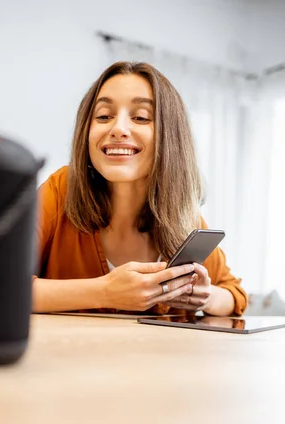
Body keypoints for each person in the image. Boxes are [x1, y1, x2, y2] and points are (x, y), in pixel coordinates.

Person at [33, 61, 247, 316]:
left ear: (171, 137)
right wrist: (105, 291)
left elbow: (234, 295)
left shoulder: (185, 218)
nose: (118, 129)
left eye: (141, 117)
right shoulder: (59, 191)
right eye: (103, 116)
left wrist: (205, 297)